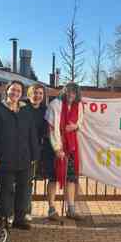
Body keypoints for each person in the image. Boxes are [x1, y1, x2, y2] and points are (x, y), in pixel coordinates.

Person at [0, 80, 38, 230]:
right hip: (5, 158)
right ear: (7, 90)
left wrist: (34, 155)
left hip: (24, 157)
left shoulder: (26, 110)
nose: (15, 93)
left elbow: (32, 133)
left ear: (21, 94)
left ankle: (19, 219)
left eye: (18, 91)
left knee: (24, 189)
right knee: (6, 189)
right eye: (13, 90)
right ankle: (4, 218)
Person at [46, 83, 83, 220]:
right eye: (68, 92)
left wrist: (75, 126)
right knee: (53, 178)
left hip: (71, 146)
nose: (71, 95)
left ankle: (71, 209)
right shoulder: (55, 104)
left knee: (71, 178)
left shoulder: (78, 105)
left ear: (77, 94)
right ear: (64, 92)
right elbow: (50, 128)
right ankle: (51, 209)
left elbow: (80, 121)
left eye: (73, 93)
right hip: (56, 145)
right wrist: (57, 148)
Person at [22, 83, 53, 222]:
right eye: (35, 93)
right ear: (29, 94)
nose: (37, 96)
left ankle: (26, 211)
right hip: (20, 148)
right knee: (17, 182)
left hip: (35, 150)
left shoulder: (45, 110)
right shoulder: (22, 107)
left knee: (28, 182)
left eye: (40, 93)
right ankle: (12, 211)